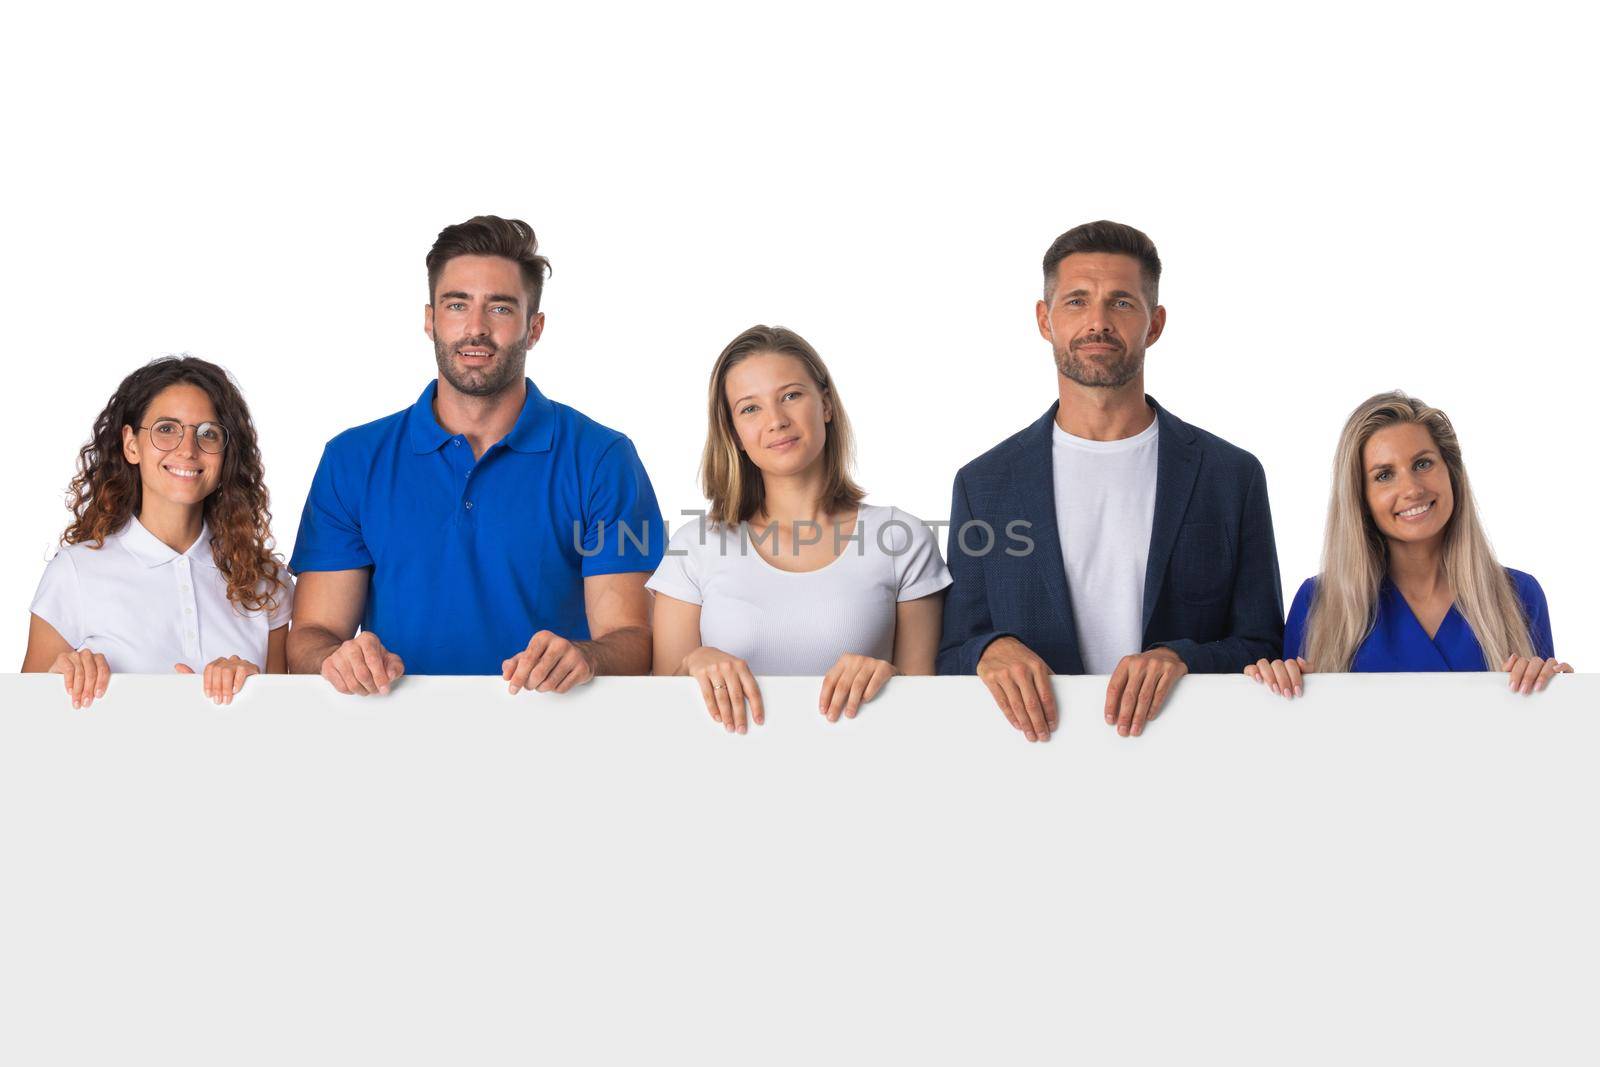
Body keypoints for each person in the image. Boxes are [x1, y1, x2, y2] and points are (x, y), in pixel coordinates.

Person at [938, 220, 1283, 741]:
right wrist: (987, 649)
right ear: (1044, 319)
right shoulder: (983, 485)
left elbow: (1264, 646)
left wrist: (1181, 658)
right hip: (1036, 761)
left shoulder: (1230, 477)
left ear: (1156, 323)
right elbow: (948, 653)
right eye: (1076, 301)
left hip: (1191, 754)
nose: (1097, 322)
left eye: (1121, 303)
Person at [287, 215, 664, 692]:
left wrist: (587, 656)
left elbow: (633, 638)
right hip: (389, 738)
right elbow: (309, 637)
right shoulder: (351, 460)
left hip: (554, 737)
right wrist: (336, 659)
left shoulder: (604, 460)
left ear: (535, 327)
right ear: (430, 319)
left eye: (501, 308)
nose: (476, 328)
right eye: (457, 304)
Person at [648, 325, 951, 732]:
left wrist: (889, 679)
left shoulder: (902, 538)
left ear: (825, 405)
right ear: (734, 433)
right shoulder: (695, 546)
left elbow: (931, 711)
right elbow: (656, 717)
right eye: (749, 408)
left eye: (791, 395)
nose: (776, 421)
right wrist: (691, 665)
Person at [1247, 391, 1571, 695]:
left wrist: (1561, 695)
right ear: (1361, 498)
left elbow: (1541, 738)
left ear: (1451, 472)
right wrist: (1273, 686)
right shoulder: (1320, 602)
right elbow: (1299, 738)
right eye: (1384, 475)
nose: (1412, 488)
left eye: (1422, 464)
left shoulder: (1517, 595)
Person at [22, 356, 293, 707]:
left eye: (208, 433)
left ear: (226, 455)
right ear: (131, 445)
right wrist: (60, 677)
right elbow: (24, 722)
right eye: (167, 429)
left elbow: (284, 720)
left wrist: (255, 690)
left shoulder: (265, 582)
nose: (187, 449)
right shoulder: (73, 572)